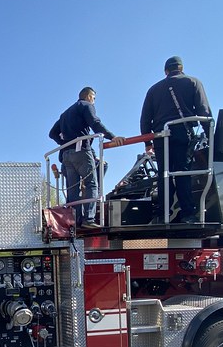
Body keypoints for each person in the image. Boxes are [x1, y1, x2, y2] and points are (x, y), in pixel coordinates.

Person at [140, 56, 211, 223]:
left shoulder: (153, 89)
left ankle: (162, 214)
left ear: (166, 71)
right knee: (182, 174)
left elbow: (145, 119)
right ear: (181, 67)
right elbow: (204, 111)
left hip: (160, 137)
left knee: (164, 175)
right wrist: (210, 135)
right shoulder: (193, 82)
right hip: (182, 134)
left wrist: (147, 143)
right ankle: (187, 214)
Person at [50, 87, 123, 229]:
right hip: (81, 151)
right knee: (91, 184)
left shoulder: (65, 114)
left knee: (73, 188)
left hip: (66, 155)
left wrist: (64, 144)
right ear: (89, 96)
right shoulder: (86, 105)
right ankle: (88, 219)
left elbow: (52, 133)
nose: (94, 101)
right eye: (94, 98)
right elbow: (95, 123)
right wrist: (113, 137)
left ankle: (75, 220)